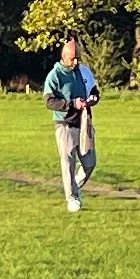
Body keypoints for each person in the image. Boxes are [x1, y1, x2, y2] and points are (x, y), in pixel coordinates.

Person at [43, 33, 100, 212]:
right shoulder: (55, 75)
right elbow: (49, 102)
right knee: (68, 161)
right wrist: (71, 104)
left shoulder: (84, 71)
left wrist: (92, 98)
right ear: (64, 56)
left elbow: (95, 91)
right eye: (73, 59)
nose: (76, 63)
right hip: (65, 124)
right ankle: (72, 198)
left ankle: (74, 186)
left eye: (78, 59)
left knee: (90, 162)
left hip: (84, 123)